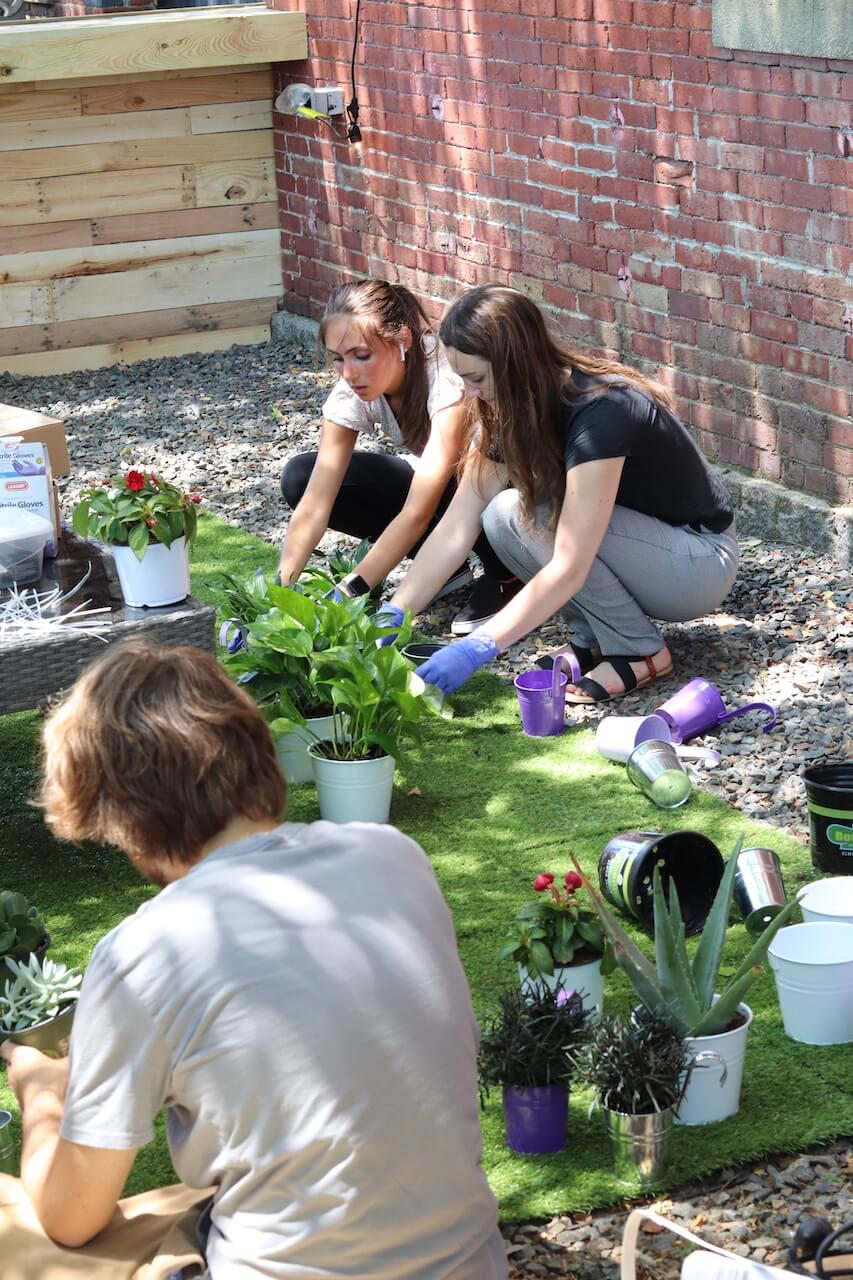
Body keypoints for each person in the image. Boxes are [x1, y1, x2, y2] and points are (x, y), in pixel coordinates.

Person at [0, 641, 507, 1279]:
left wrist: (44, 1098)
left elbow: (71, 1218)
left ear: (119, 816)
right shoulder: (395, 855)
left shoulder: (141, 954)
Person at [378, 284, 738, 702]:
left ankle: (639, 651)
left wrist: (481, 645)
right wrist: (395, 612)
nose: (470, 394)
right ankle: (595, 639)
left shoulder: (601, 411)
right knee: (499, 514)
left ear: (514, 365)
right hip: (645, 550)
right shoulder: (510, 410)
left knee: (525, 515)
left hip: (697, 564)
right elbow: (457, 526)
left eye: (476, 379)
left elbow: (570, 562)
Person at [279, 278, 518, 633]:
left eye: (362, 356)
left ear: (402, 340)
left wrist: (349, 592)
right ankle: (442, 566)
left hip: (502, 492)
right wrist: (277, 598)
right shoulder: (353, 386)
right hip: (449, 487)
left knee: (457, 478)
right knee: (299, 476)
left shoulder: (446, 377)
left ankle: (507, 573)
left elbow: (419, 510)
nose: (349, 373)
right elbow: (316, 500)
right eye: (338, 359)